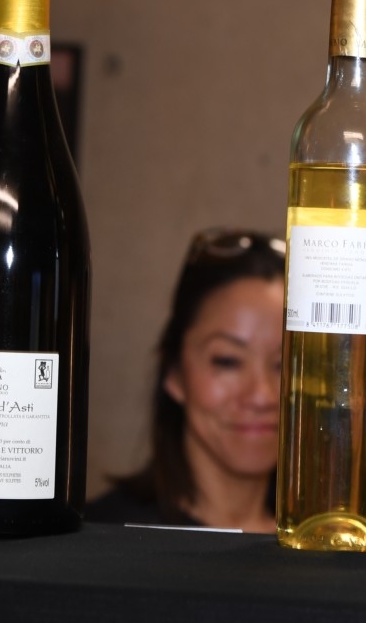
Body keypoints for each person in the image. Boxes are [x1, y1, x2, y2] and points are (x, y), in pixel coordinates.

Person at [87, 228, 286, 533]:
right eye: (227, 361)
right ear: (174, 371)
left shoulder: (333, 542)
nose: (263, 396)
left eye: (286, 365)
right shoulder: (103, 538)